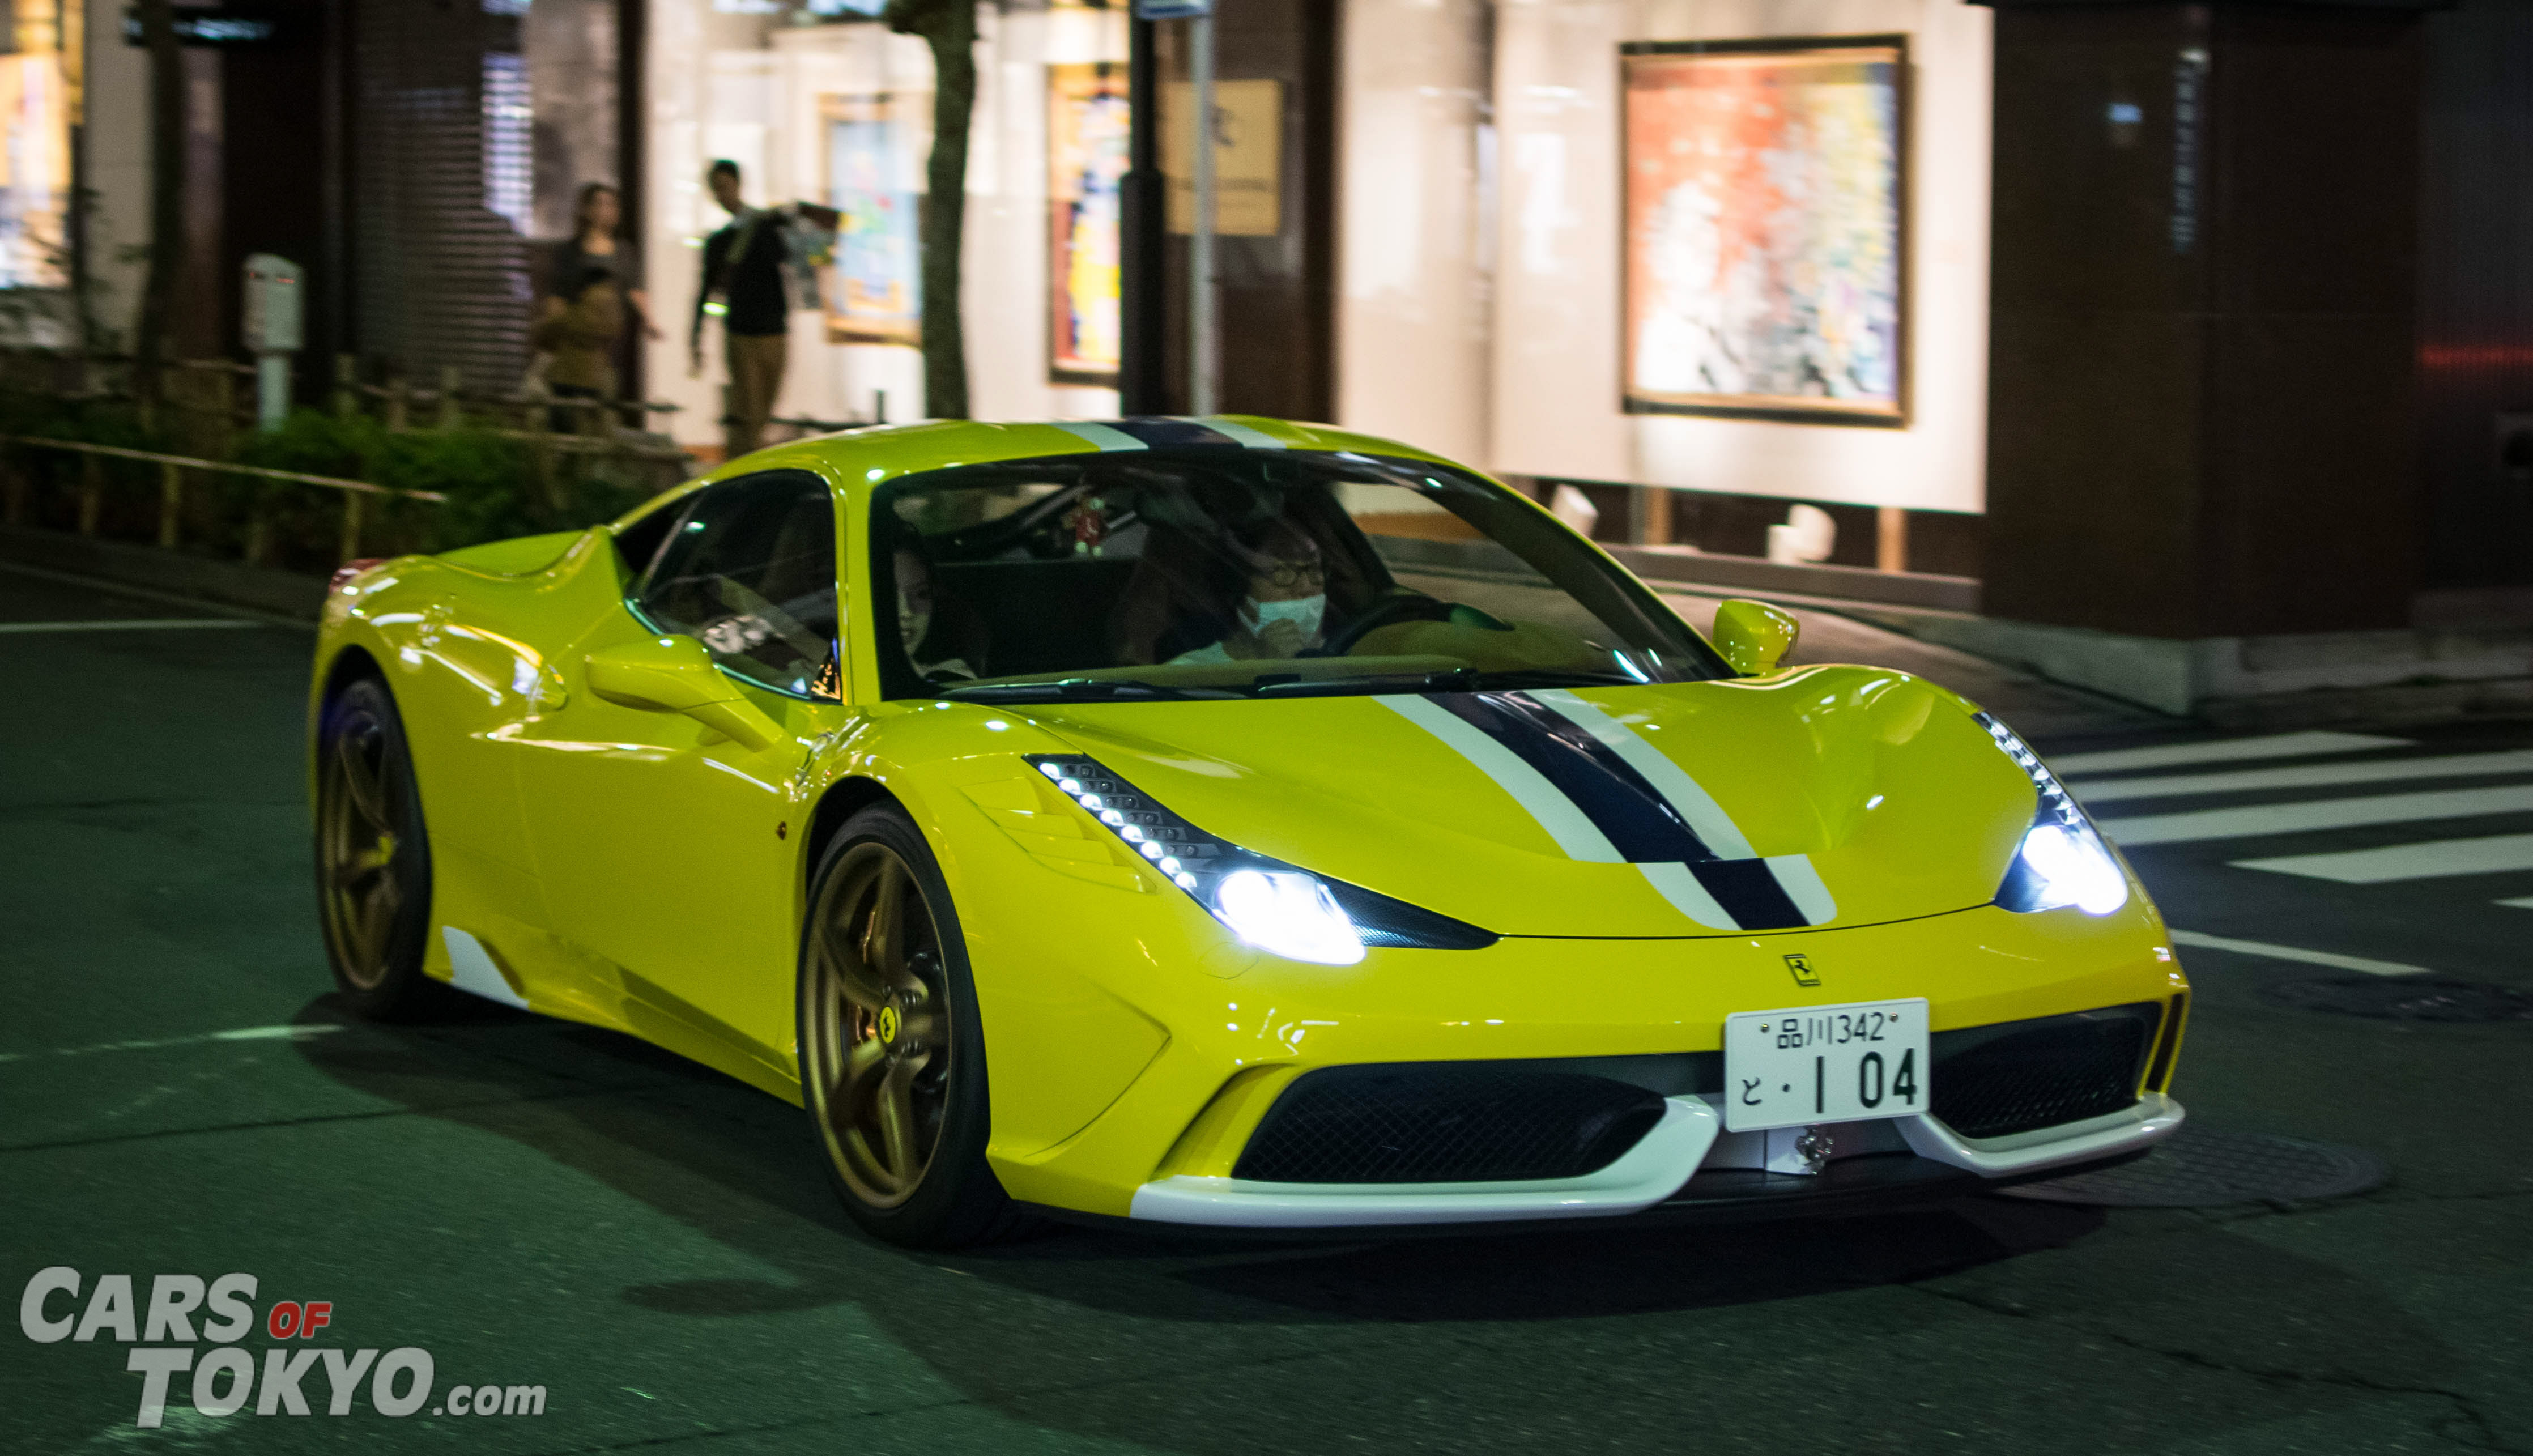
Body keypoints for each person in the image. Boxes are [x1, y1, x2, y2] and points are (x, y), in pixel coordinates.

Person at [691, 160, 836, 460]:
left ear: (738, 185)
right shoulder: (720, 242)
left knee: (761, 413)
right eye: (717, 189)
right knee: (751, 414)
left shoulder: (768, 227)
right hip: (742, 333)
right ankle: (747, 467)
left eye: (725, 187)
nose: (722, 195)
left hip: (773, 332)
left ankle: (746, 464)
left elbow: (806, 254)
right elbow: (706, 290)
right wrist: (695, 336)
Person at [530, 184, 657, 431]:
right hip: (572, 347)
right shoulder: (570, 252)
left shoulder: (623, 252)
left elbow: (634, 290)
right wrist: (551, 329)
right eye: (599, 204)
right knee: (565, 418)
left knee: (599, 415)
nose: (606, 211)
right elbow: (558, 298)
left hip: (605, 347)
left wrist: (649, 320)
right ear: (586, 210)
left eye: (611, 204)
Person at [1159, 518, 1331, 665]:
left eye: (1315, 569)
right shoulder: (1189, 677)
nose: (1307, 588)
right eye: (1282, 573)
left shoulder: (1347, 660)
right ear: (1237, 588)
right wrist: (1270, 668)